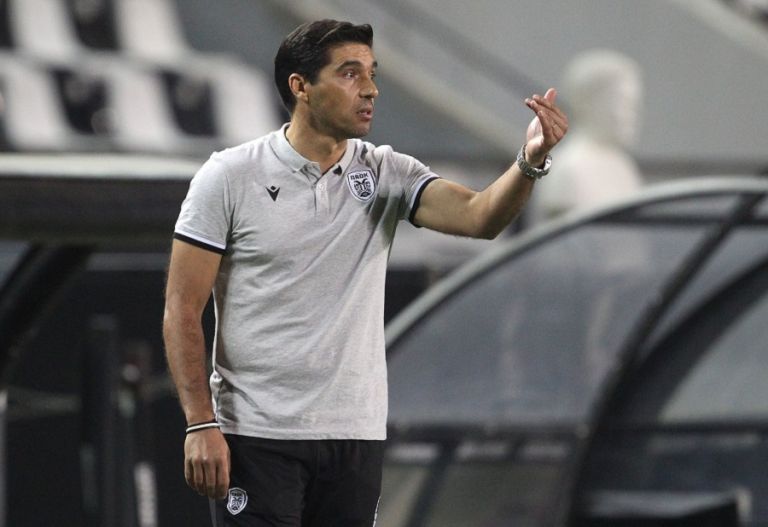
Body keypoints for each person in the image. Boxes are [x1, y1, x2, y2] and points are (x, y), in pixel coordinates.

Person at [163, 19, 567, 526]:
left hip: (355, 434)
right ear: (301, 86)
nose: (371, 89)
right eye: (350, 73)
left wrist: (530, 159)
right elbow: (182, 307)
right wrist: (200, 423)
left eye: (372, 73)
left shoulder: (386, 171)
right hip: (257, 435)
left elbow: (479, 217)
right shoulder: (229, 176)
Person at [528, 48, 643, 223]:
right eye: (623, 103)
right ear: (587, 103)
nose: (632, 116)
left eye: (634, 105)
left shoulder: (624, 167)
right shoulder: (568, 168)